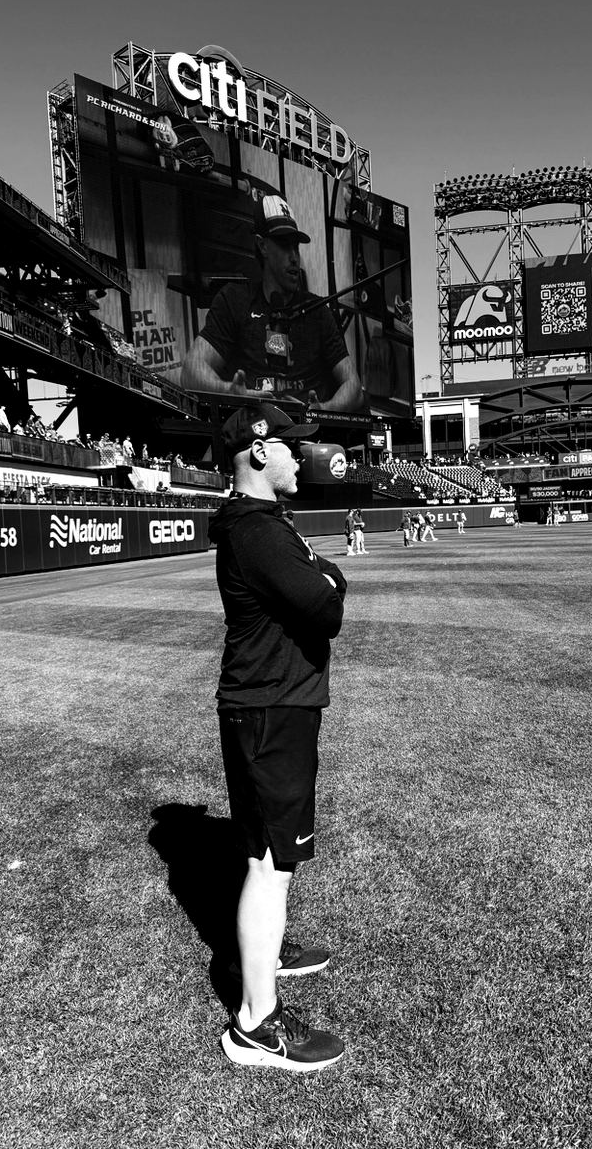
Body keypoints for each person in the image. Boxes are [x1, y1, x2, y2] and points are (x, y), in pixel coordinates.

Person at [207, 401, 348, 1072]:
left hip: (271, 704)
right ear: (259, 452)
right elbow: (324, 606)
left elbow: (318, 589)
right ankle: (255, 1026)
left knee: (270, 855)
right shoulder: (258, 529)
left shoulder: (260, 522)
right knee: (271, 861)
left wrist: (322, 576)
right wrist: (329, 577)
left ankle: (269, 951)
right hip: (270, 708)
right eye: (293, 446)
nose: (303, 456)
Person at [182, 196, 366, 412]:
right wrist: (229, 393)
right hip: (255, 430)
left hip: (311, 433)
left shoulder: (318, 312)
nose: (294, 257)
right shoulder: (234, 301)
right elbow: (191, 372)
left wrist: (325, 410)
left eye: (295, 247)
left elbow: (354, 387)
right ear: (262, 246)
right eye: (284, 245)